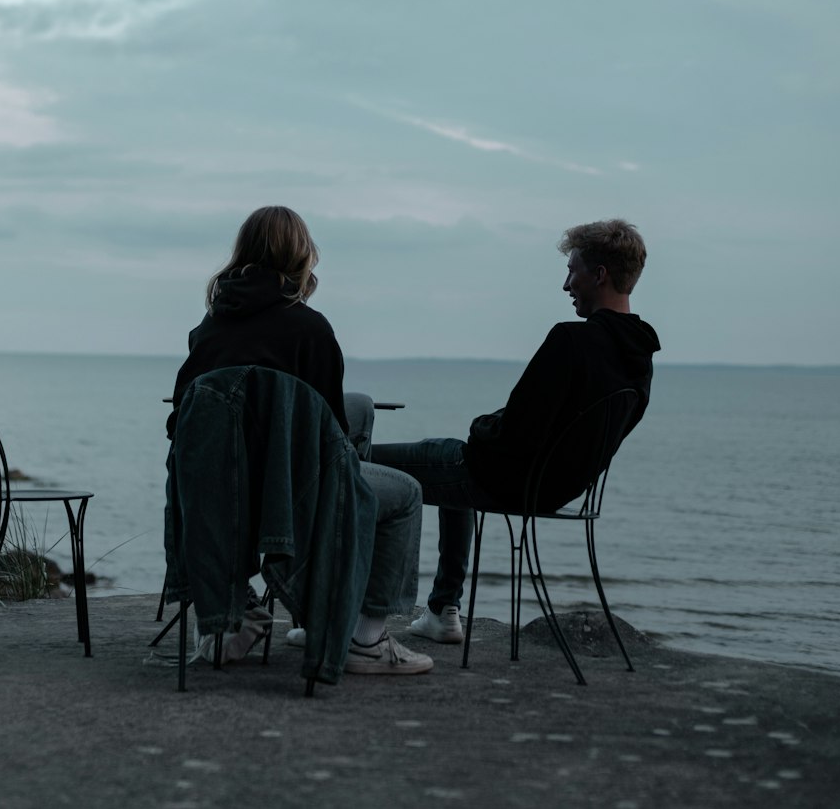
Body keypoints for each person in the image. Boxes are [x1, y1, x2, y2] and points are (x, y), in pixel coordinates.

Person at [167, 204, 433, 676]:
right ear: (300, 256)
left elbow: (180, 423)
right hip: (290, 496)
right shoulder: (310, 329)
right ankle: (363, 638)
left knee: (360, 409)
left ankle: (314, 608)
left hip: (221, 489)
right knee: (405, 493)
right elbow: (328, 435)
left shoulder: (208, 328)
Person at [370, 218, 661, 644]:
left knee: (357, 462)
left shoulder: (570, 340)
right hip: (559, 488)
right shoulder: (640, 359)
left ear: (599, 275)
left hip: (505, 480)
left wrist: (480, 425)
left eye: (573, 271)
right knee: (447, 465)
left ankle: (350, 617)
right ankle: (442, 609)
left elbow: (513, 434)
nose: (566, 285)